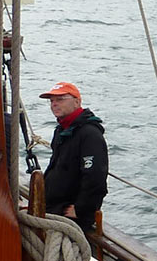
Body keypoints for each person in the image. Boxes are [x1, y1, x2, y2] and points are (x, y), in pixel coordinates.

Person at [40, 81, 107, 236]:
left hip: (70, 215)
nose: (54, 104)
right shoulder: (61, 131)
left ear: (77, 102)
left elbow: (95, 176)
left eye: (60, 99)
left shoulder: (90, 134)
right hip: (53, 208)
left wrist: (82, 209)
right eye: (52, 101)